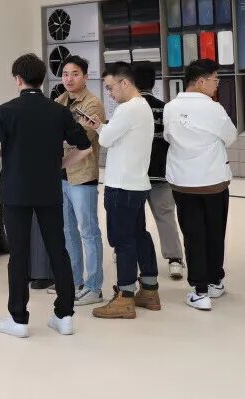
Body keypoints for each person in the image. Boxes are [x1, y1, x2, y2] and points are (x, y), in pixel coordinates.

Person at [0, 53, 92, 338]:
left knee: (19, 254)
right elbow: (86, 147)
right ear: (42, 79)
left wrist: (5, 154)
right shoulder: (58, 111)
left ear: (18, 79)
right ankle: (64, 316)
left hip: (15, 192)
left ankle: (19, 319)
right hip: (49, 189)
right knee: (58, 249)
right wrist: (59, 164)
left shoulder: (6, 111)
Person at [164, 59, 238, 311]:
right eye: (215, 79)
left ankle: (199, 290)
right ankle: (215, 281)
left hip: (183, 183)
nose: (217, 84)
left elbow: (168, 137)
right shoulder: (214, 109)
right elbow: (230, 136)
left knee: (193, 235)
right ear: (200, 81)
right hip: (214, 181)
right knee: (215, 232)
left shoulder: (170, 107)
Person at [91, 62, 159, 320]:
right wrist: (102, 126)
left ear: (125, 83)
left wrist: (99, 128)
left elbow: (106, 140)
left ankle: (125, 297)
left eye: (110, 88)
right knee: (139, 236)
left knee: (123, 241)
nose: (109, 93)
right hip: (136, 184)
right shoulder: (143, 107)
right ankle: (149, 289)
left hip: (121, 186)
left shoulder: (127, 109)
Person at [52, 56, 106, 305]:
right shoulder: (59, 102)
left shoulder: (93, 104)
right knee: (67, 231)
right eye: (65, 74)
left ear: (85, 76)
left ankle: (94, 288)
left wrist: (57, 137)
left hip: (83, 174)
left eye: (75, 74)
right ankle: (73, 282)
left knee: (88, 231)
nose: (69, 78)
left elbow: (81, 138)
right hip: (61, 174)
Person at [134, 64, 185, 280]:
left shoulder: (129, 108)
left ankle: (126, 252)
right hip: (160, 172)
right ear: (153, 83)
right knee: (166, 217)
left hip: (135, 175)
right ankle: (175, 260)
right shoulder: (165, 109)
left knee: (133, 218)